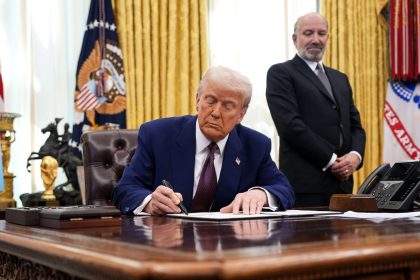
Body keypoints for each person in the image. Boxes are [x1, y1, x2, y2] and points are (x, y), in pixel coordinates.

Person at [113, 66, 295, 215]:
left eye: (228, 106)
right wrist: (150, 202)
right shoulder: (157, 135)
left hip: (228, 247)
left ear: (241, 114)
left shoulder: (255, 145)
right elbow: (126, 189)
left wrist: (261, 194)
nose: (216, 112)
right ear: (197, 100)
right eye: (210, 101)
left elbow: (284, 190)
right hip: (168, 244)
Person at [266, 12, 366, 207]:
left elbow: (356, 126)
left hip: (342, 186)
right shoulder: (281, 73)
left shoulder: (340, 78)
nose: (316, 39)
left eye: (321, 33)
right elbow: (290, 126)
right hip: (304, 187)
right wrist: (331, 160)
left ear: (328, 37)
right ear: (295, 39)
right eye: (308, 33)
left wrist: (355, 156)